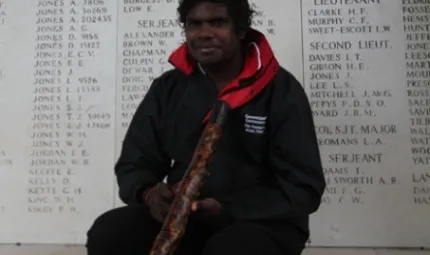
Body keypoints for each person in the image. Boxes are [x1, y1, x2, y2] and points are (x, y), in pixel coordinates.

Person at [85, 0, 326, 254]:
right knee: (110, 232)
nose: (205, 33)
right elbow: (134, 164)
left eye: (218, 22)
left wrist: (226, 208)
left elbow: (303, 187)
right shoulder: (167, 89)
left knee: (229, 250)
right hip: (187, 218)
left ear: (241, 30)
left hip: (262, 223)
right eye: (194, 24)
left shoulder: (281, 90)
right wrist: (150, 194)